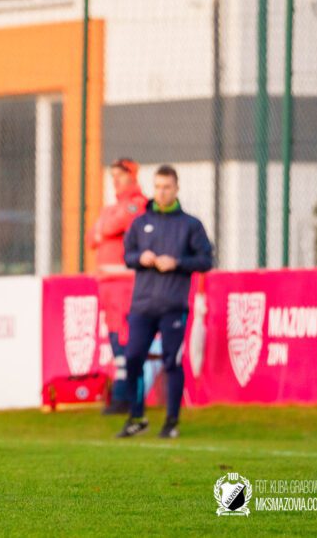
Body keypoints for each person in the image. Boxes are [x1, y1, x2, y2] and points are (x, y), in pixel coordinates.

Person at [117, 165, 212, 440]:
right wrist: (141, 258)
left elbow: (206, 260)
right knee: (133, 358)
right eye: (158, 186)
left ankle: (171, 422)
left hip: (173, 306)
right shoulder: (140, 222)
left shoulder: (190, 225)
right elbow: (128, 255)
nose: (162, 192)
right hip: (142, 306)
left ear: (176, 189)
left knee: (172, 361)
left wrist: (178, 263)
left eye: (167, 187)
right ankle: (137, 417)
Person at [86, 158, 147, 415]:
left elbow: (110, 227)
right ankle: (122, 393)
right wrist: (103, 230)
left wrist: (104, 229)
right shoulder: (111, 208)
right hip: (108, 284)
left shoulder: (137, 204)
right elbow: (91, 237)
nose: (115, 180)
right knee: (114, 338)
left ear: (132, 176)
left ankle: (128, 395)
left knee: (125, 338)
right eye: (113, 175)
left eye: (120, 175)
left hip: (126, 283)